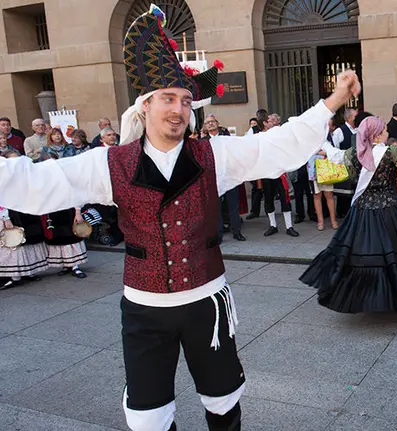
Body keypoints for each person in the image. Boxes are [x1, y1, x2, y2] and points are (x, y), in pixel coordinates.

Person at [0, 4, 359, 430]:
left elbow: (275, 146)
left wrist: (333, 100)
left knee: (224, 401)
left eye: (186, 101)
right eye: (168, 99)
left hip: (207, 304)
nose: (178, 109)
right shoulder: (108, 163)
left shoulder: (213, 155)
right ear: (146, 106)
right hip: (144, 310)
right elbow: (34, 182)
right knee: (149, 417)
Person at [300, 116, 397, 313]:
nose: (388, 133)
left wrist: (320, 138)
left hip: (363, 211)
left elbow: (333, 154)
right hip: (392, 210)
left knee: (363, 254)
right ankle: (395, 294)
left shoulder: (354, 153)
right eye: (384, 130)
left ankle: (371, 295)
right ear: (375, 136)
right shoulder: (390, 152)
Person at [40, 127, 88, 278]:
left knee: (71, 236)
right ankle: (65, 265)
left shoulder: (66, 176)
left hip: (68, 211)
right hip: (54, 212)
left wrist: (77, 211)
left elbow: (75, 194)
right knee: (58, 237)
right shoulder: (43, 180)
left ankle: (75, 266)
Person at [0, 152, 48, 290]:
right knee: (15, 242)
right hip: (11, 213)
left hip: (27, 211)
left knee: (30, 240)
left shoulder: (25, 175)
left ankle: (29, 271)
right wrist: (6, 217)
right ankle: (14, 275)